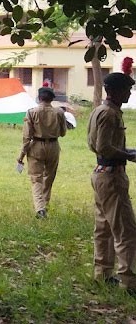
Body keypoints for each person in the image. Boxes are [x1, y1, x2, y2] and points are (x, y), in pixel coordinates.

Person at [87, 72, 136, 291]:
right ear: (114, 91)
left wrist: (125, 151)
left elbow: (96, 145)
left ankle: (103, 273)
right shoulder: (109, 114)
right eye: (127, 89)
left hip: (101, 172)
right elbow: (104, 147)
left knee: (104, 227)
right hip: (111, 175)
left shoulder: (100, 110)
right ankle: (129, 281)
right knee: (126, 230)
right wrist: (128, 155)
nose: (129, 93)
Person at [17, 86, 68, 218]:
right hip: (53, 146)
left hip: (36, 146)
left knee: (36, 178)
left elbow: (27, 136)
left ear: (39, 98)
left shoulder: (32, 112)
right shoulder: (59, 113)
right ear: (52, 99)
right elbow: (63, 133)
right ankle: (45, 203)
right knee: (49, 177)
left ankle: (40, 208)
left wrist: (21, 155)